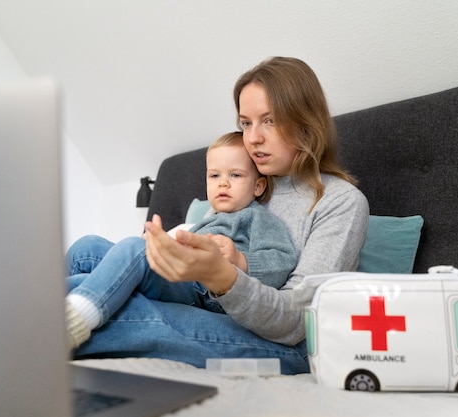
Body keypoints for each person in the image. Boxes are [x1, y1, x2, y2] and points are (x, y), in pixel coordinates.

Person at [69, 57, 369, 375]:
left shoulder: (339, 201)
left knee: (123, 311)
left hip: (284, 347)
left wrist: (221, 275)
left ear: (307, 122)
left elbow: (296, 324)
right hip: (201, 299)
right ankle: (33, 315)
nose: (253, 138)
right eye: (246, 123)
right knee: (87, 253)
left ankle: (33, 330)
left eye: (270, 121)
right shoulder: (239, 180)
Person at [66, 131, 297, 348]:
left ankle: (72, 322)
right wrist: (159, 244)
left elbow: (283, 259)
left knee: (135, 248)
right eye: (214, 175)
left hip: (206, 293)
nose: (223, 183)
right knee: (86, 247)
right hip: (177, 274)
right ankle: (49, 307)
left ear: (258, 186)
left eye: (235, 175)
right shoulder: (202, 223)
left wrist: (240, 259)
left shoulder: (256, 217)